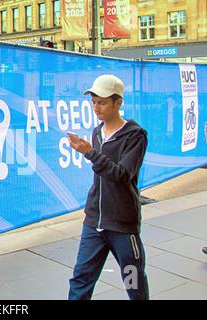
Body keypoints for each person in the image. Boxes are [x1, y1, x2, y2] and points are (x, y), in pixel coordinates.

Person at [67, 74, 149, 300]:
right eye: (93, 102)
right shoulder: (97, 132)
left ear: (118, 102)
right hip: (94, 222)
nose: (96, 107)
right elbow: (102, 171)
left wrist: (90, 153)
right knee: (81, 279)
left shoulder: (135, 135)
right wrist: (90, 154)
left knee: (134, 282)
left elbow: (122, 175)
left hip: (123, 225)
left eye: (102, 102)